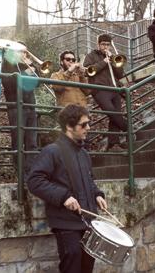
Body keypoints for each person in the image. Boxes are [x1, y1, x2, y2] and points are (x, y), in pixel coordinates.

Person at [27, 104, 107, 273]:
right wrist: (64, 197)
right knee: (72, 264)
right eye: (83, 125)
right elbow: (34, 181)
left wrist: (97, 194)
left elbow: (89, 180)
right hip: (66, 223)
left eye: (88, 124)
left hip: (88, 222)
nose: (88, 128)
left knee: (87, 267)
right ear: (69, 127)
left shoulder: (84, 154)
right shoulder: (52, 151)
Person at [83, 34, 127, 152]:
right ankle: (128, 128)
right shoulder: (91, 56)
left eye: (108, 45)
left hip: (114, 89)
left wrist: (113, 61)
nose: (105, 47)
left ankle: (113, 143)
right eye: (103, 44)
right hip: (99, 89)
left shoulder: (112, 57)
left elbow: (120, 74)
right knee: (112, 113)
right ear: (98, 44)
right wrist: (104, 62)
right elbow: (87, 71)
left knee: (114, 116)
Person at [1, 43, 38, 164]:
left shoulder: (27, 65)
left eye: (25, 52)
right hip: (16, 107)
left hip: (30, 106)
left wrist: (32, 66)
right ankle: (20, 175)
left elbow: (38, 82)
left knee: (32, 143)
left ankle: (31, 173)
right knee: (18, 142)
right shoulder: (8, 65)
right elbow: (8, 83)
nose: (24, 54)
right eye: (21, 51)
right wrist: (26, 72)